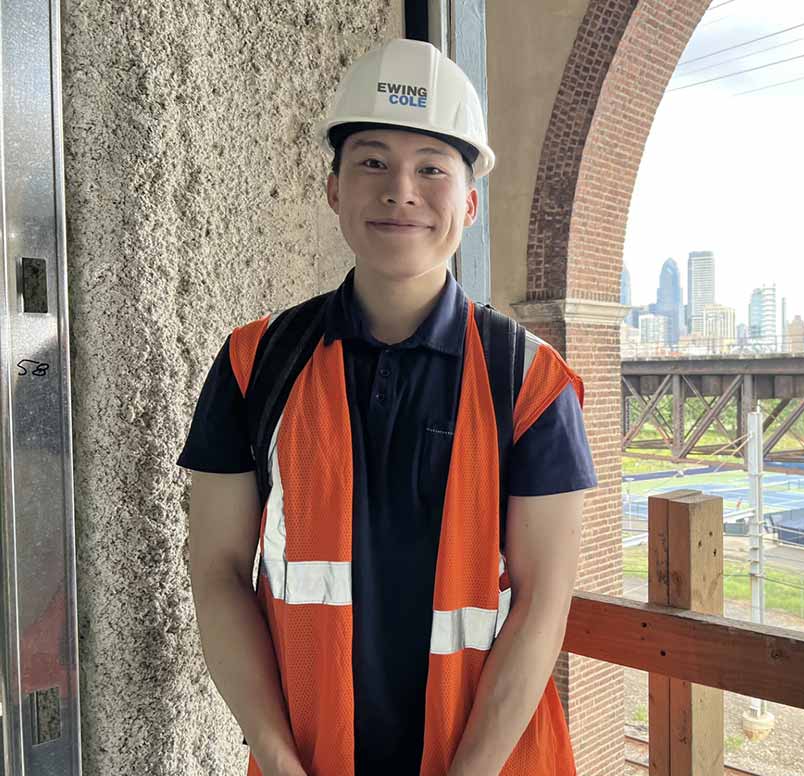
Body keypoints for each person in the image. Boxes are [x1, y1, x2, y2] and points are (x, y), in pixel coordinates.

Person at [180, 38, 595, 776]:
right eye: (371, 160)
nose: (400, 189)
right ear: (334, 188)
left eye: (431, 168)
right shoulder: (254, 365)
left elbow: (543, 604)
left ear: (468, 203)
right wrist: (273, 754)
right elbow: (215, 570)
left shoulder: (530, 382)